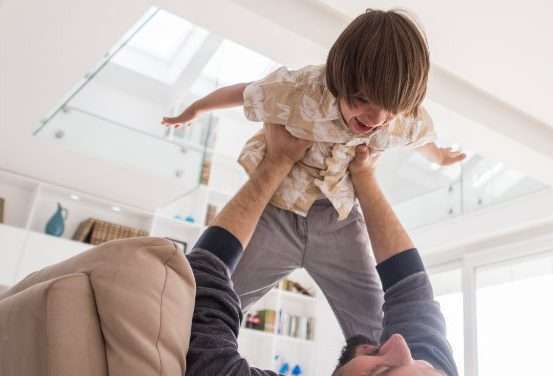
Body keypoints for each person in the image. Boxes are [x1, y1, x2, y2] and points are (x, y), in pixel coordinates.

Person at [162, 9, 465, 341]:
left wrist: (439, 157)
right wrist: (197, 108)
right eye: (362, 100)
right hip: (277, 210)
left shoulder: (403, 118)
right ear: (341, 78)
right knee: (202, 304)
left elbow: (420, 138)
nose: (373, 119)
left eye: (388, 110)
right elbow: (245, 92)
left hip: (339, 220)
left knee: (378, 332)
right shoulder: (300, 91)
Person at [175, 122, 478, 376]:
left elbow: (203, 277)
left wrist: (275, 163)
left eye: (380, 372)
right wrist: (364, 176)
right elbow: (411, 291)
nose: (399, 344)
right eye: (423, 364)